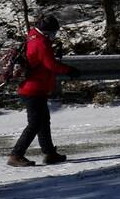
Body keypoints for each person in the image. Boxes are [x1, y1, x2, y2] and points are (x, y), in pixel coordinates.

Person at [8, 16, 79, 167]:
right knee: (34, 124)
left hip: (34, 88)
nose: (54, 36)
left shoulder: (33, 38)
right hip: (32, 89)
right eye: (53, 33)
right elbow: (51, 65)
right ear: (47, 32)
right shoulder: (40, 43)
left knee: (43, 122)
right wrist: (69, 70)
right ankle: (16, 155)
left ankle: (50, 153)